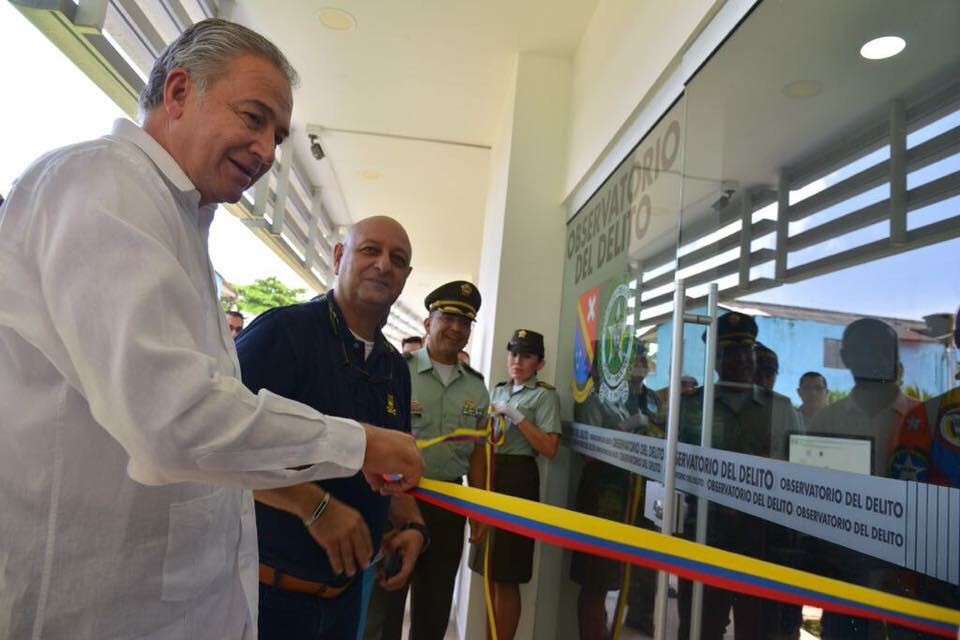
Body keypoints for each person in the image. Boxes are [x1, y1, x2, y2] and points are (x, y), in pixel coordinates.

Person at [0, 19, 422, 639]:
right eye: (253, 118)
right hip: (90, 610)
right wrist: (357, 444)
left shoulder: (178, 223)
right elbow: (175, 420)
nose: (266, 152)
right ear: (177, 93)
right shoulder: (100, 184)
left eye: (276, 136)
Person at [236, 216, 427, 639]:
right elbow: (216, 447)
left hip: (344, 602)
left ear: (405, 278)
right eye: (370, 250)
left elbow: (384, 474)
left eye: (397, 259)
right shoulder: (282, 333)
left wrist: (411, 525)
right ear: (339, 256)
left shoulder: (394, 368)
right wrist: (314, 505)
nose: (383, 264)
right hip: (265, 597)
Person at [365, 280, 488, 640]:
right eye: (447, 317)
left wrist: (479, 510)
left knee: (435, 606)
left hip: (450, 504)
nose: (456, 328)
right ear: (427, 322)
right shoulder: (395, 371)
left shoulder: (476, 387)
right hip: (397, 500)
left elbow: (479, 453)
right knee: (386, 601)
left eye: (465, 322)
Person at [677, 312, 802, 640]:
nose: (742, 361)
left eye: (746, 352)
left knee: (759, 629)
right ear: (716, 360)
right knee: (699, 627)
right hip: (706, 531)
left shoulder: (782, 408)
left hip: (762, 537)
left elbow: (800, 473)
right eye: (731, 353)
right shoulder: (691, 407)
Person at [810, 319, 922, 639]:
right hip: (845, 572)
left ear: (896, 356)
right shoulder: (826, 422)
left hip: (912, 576)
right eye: (864, 350)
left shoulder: (923, 419)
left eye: (882, 350)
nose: (874, 358)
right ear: (846, 357)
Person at [470, 329, 561, 640]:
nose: (517, 361)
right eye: (513, 354)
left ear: (540, 363)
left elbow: (549, 449)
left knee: (507, 574)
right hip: (491, 473)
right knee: (488, 572)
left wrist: (518, 417)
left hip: (519, 478)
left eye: (526, 356)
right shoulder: (497, 390)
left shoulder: (544, 395)